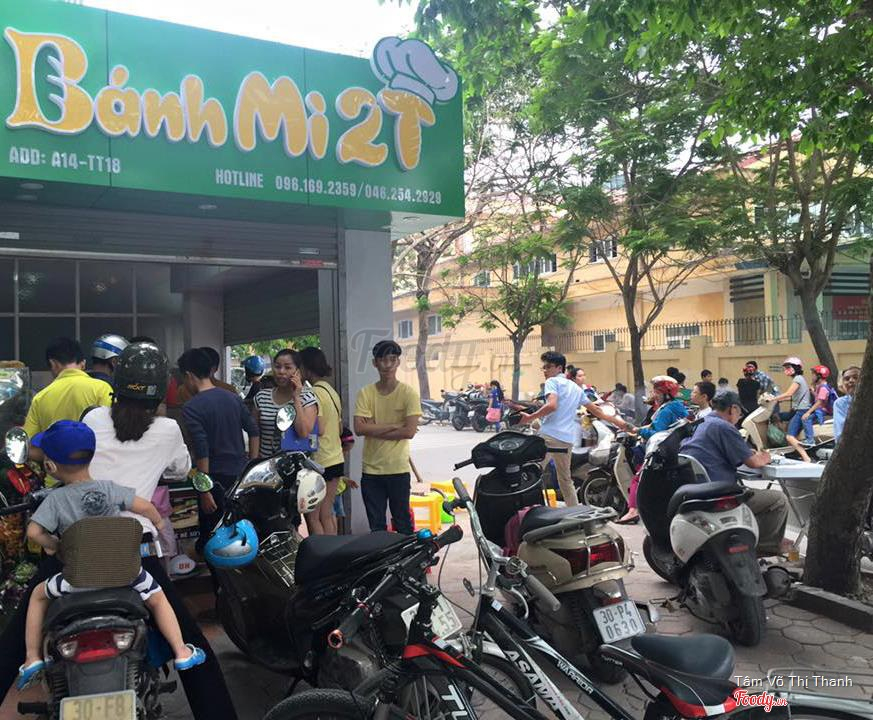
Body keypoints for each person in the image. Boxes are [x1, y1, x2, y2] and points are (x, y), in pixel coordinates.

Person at [0, 344, 239, 719]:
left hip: (74, 550)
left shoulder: (94, 418)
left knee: (15, 638)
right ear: (159, 394)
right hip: (132, 552)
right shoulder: (168, 430)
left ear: (116, 383)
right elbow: (179, 470)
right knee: (190, 640)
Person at [17, 420, 205, 689]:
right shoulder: (109, 488)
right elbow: (146, 507)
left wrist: (54, 545)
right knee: (158, 598)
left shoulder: (55, 500)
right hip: (125, 574)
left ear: (50, 466)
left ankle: (32, 657)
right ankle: (181, 651)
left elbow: (34, 532)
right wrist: (159, 524)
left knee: (37, 596)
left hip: (76, 580)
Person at [680, 392, 791, 557]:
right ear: (733, 409)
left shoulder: (701, 423)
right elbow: (754, 462)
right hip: (718, 493)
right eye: (739, 413)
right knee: (778, 500)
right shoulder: (724, 426)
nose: (739, 418)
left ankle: (748, 538)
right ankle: (762, 548)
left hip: (698, 489)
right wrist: (766, 457)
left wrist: (747, 453)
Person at [178, 348, 260, 552]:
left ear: (189, 375)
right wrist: (251, 465)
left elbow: (202, 449)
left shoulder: (191, 407)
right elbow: (253, 431)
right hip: (240, 476)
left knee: (213, 538)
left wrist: (205, 490)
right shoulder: (232, 397)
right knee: (240, 532)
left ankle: (218, 572)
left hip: (214, 480)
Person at [354, 340, 420, 534]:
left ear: (398, 362)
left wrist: (373, 427)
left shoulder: (408, 393)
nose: (388, 364)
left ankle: (405, 555)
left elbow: (409, 432)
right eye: (383, 360)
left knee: (403, 524)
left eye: (392, 359)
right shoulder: (366, 393)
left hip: (398, 469)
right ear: (375, 363)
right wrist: (395, 425)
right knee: (377, 527)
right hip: (371, 471)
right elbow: (359, 428)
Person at [23, 338, 114, 453]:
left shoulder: (40, 398)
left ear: (53, 364)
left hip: (55, 464)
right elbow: (112, 430)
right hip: (96, 462)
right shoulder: (102, 388)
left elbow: (29, 445)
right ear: (83, 364)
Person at [618, 375, 688, 524]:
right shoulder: (677, 406)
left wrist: (638, 430)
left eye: (657, 392)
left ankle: (633, 511)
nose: (654, 395)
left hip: (661, 450)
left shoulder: (666, 410)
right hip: (675, 448)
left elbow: (657, 433)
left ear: (666, 394)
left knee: (638, 477)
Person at [299, 346, 344, 536]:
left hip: (320, 461)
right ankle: (334, 551)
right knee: (327, 514)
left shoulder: (314, 393)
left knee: (313, 517)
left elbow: (320, 428)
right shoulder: (331, 391)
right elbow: (339, 428)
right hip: (336, 459)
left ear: (306, 368)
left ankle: (321, 552)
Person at [254, 349, 318, 460]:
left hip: (295, 465)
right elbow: (255, 432)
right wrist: (254, 460)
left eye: (287, 368)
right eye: (277, 367)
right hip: (266, 464)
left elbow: (303, 432)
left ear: (297, 372)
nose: (281, 371)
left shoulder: (307, 398)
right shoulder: (261, 397)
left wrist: (296, 398)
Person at [772, 357, 813, 462]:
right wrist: (779, 400)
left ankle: (806, 458)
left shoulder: (797, 379)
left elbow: (789, 393)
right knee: (780, 418)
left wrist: (773, 398)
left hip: (801, 411)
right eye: (786, 368)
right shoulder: (800, 379)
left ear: (796, 368)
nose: (787, 370)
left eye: (789, 367)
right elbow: (793, 396)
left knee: (789, 436)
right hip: (800, 409)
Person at [833, 366, 860, 442]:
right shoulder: (840, 404)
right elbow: (841, 433)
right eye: (847, 379)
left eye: (855, 377)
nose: (851, 381)